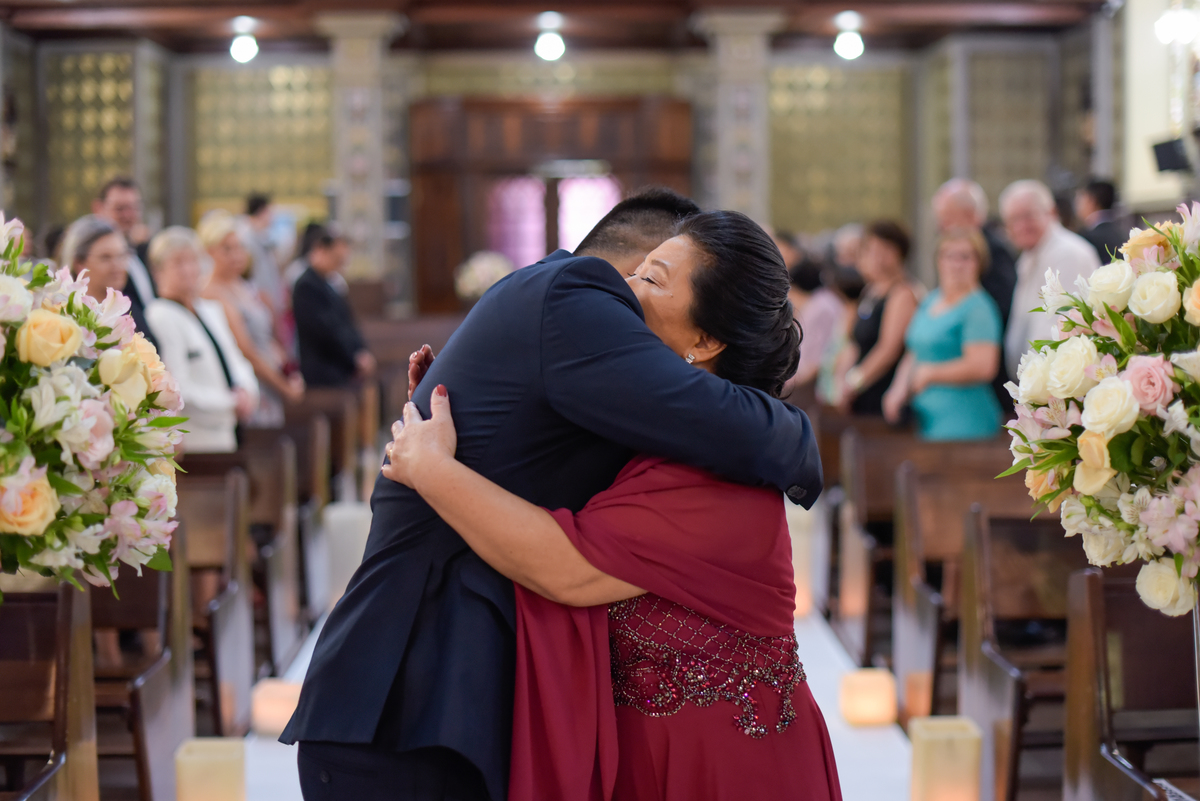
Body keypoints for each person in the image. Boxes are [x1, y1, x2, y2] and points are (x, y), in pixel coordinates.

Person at [281, 189, 823, 801]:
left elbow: (569, 564)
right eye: (638, 273)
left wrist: (444, 457)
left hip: (710, 759)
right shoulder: (577, 299)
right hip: (409, 706)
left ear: (704, 339)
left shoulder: (695, 464)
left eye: (655, 279)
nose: (631, 288)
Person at [145, 226, 259, 454]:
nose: (188, 269)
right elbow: (178, 387)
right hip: (198, 439)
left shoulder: (210, 309)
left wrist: (247, 391)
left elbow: (237, 359)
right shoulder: (159, 315)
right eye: (178, 262)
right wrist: (230, 403)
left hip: (229, 431)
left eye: (193, 261)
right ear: (158, 272)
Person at [882, 228, 1003, 440]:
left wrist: (930, 373)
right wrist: (898, 389)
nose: (956, 264)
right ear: (939, 260)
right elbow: (915, 350)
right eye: (949, 256)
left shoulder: (979, 308)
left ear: (979, 262)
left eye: (965, 257)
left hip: (963, 423)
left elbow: (983, 366)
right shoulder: (931, 300)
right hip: (926, 418)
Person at [199, 210, 303, 427]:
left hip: (271, 376)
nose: (237, 255)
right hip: (254, 382)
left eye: (240, 247)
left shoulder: (243, 286)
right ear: (209, 252)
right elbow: (246, 351)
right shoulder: (211, 292)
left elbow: (268, 338)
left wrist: (290, 371)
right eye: (227, 249)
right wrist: (284, 387)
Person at [1000, 179, 1100, 378]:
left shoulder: (1067, 253)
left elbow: (1056, 333)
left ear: (1051, 212)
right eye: (1013, 220)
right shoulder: (1031, 255)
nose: (1021, 226)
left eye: (1028, 216)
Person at [836, 220, 919, 415]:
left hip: (880, 391)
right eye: (872, 249)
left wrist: (855, 381)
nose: (877, 257)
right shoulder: (870, 291)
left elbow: (889, 349)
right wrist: (841, 380)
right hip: (858, 392)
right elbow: (854, 341)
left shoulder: (902, 293)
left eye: (884, 250)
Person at [291, 224, 376, 387]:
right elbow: (325, 331)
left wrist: (361, 352)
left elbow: (348, 324)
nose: (339, 265)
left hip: (340, 365)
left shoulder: (329, 284)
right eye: (336, 259)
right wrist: (354, 358)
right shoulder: (306, 286)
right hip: (323, 368)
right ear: (320, 250)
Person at [60, 215, 156, 347]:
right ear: (79, 263)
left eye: (122, 255)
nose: (117, 266)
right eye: (106, 258)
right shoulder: (68, 316)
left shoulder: (132, 310)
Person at [92, 176, 157, 311]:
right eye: (120, 209)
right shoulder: (92, 261)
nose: (128, 215)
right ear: (99, 209)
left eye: (134, 208)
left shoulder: (144, 251)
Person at [784, 260, 842, 391]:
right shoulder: (824, 300)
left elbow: (815, 358)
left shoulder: (817, 308)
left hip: (814, 383)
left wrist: (788, 384)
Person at [242, 192, 285, 315]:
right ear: (262, 211)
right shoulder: (247, 239)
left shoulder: (264, 238)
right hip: (259, 303)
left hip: (269, 301)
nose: (272, 216)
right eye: (270, 212)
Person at [1074, 178, 1126, 263]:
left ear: (1091, 200)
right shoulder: (1123, 234)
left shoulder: (1086, 239)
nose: (1077, 204)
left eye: (1081, 197)